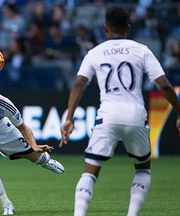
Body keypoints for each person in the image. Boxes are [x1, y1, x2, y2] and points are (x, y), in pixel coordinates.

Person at [59, 5, 180, 216]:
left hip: (107, 116)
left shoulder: (95, 52)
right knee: (142, 169)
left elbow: (79, 83)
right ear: (129, 27)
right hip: (136, 115)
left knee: (91, 171)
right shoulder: (142, 50)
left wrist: (69, 117)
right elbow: (165, 86)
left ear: (106, 28)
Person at [0, 76, 65, 215]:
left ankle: (47, 162)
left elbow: (23, 127)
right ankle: (7, 205)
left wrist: (34, 145)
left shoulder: (5, 104)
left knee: (37, 157)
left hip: (3, 131)